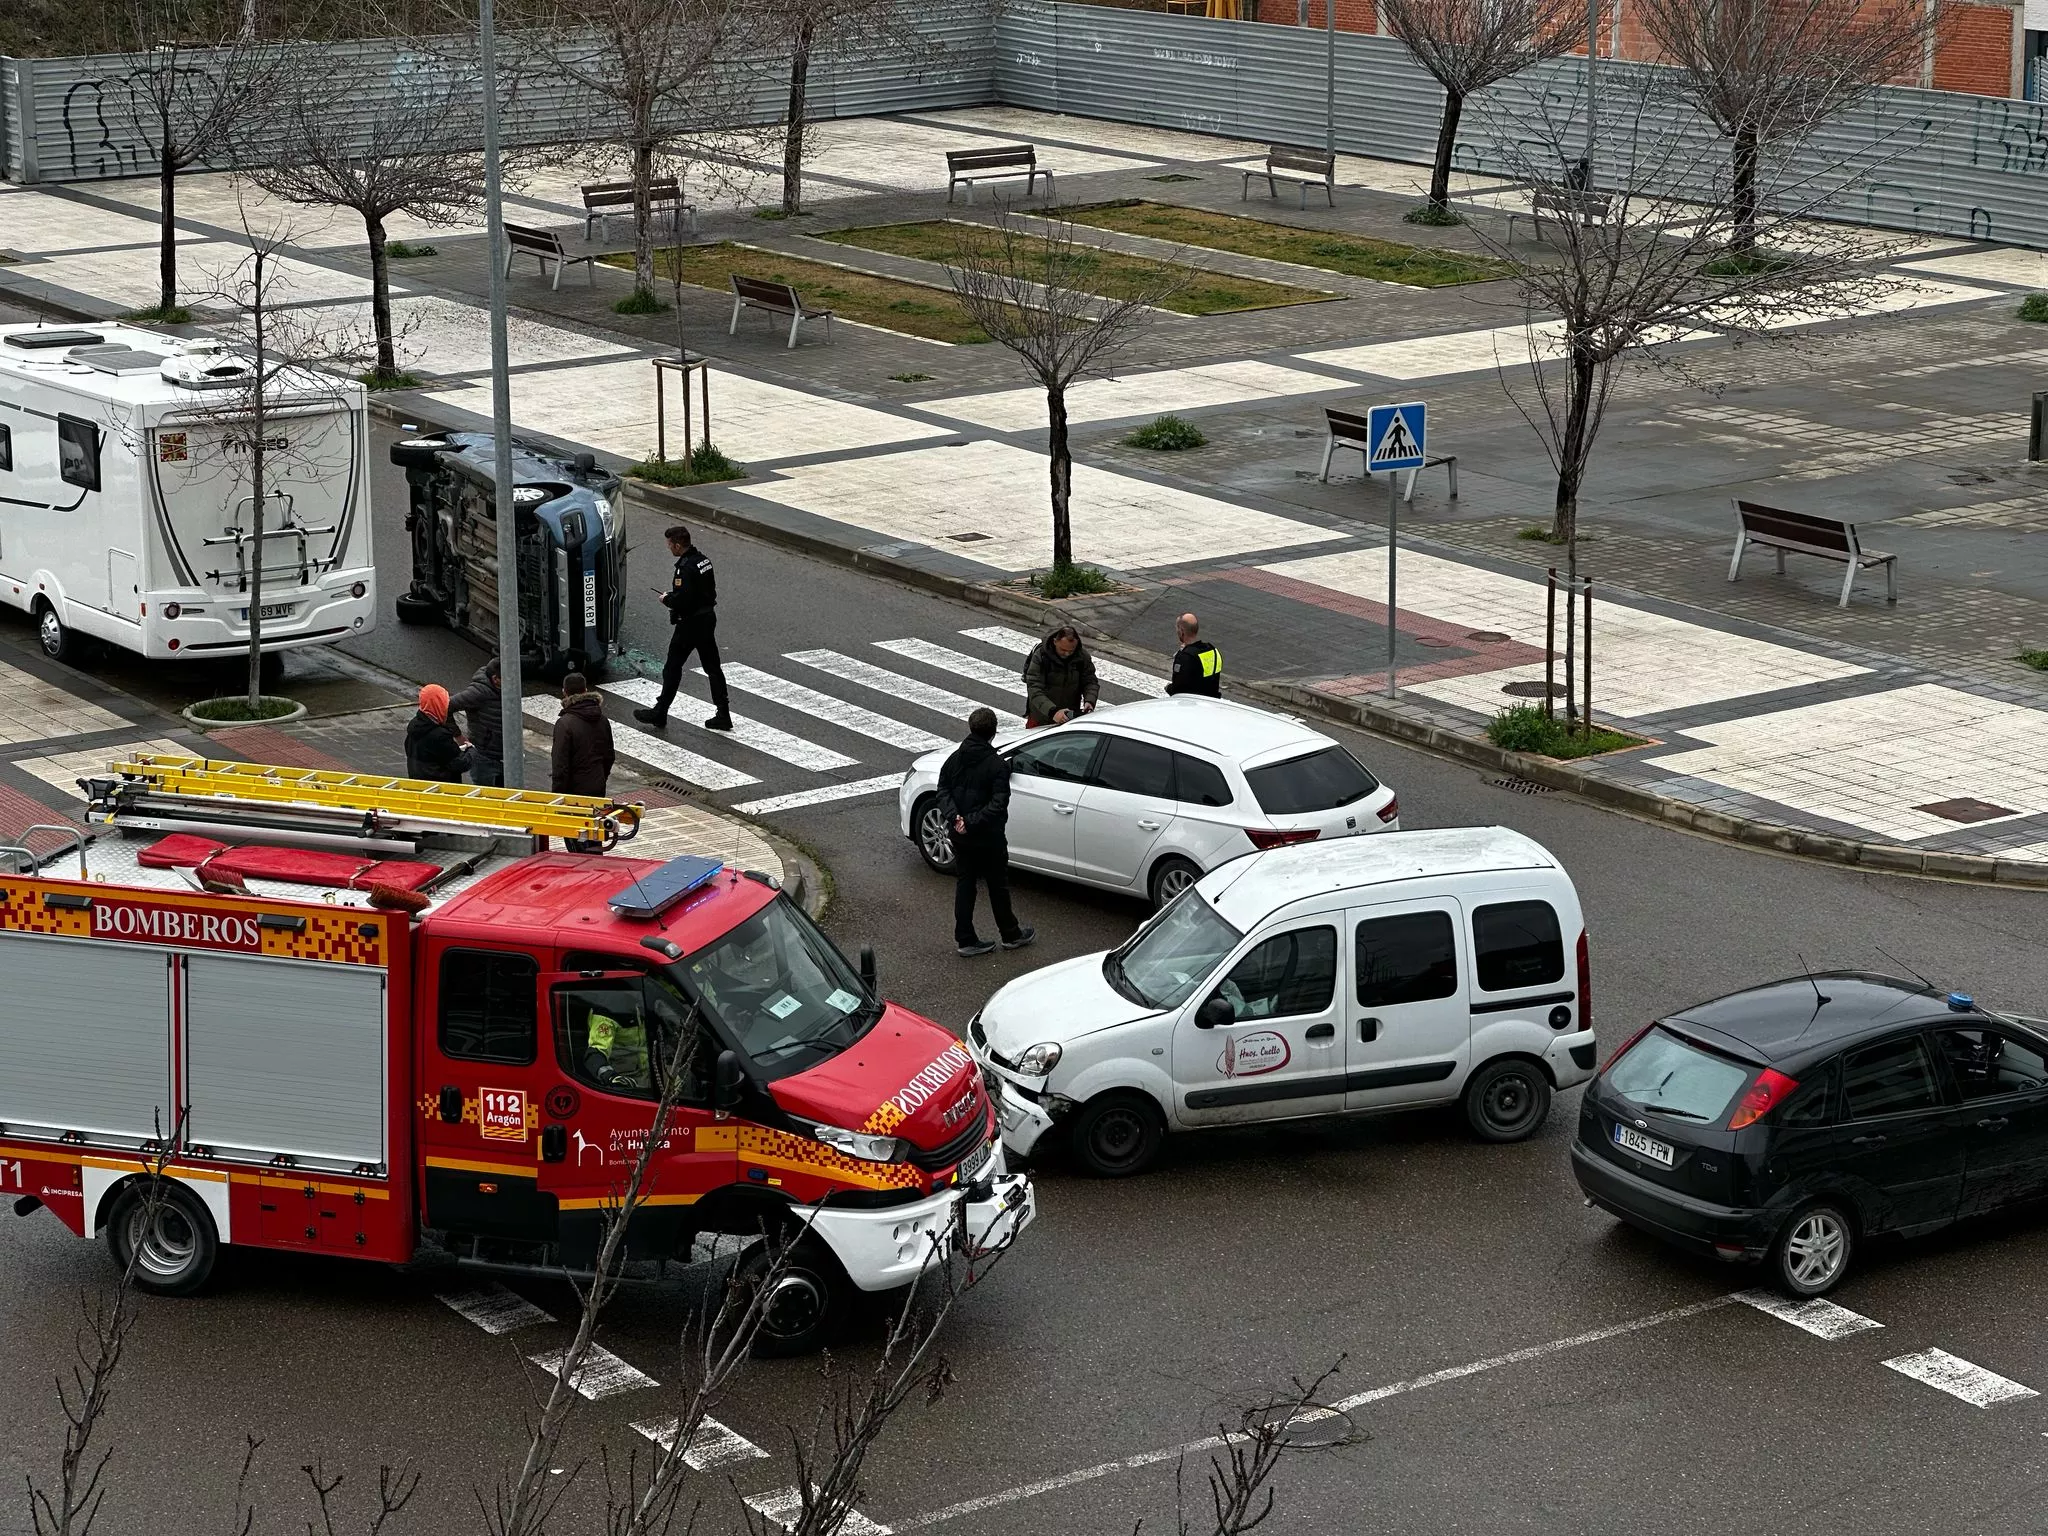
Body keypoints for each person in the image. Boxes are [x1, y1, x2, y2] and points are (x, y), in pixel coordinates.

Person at [936, 707, 1034, 958]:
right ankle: (1010, 934)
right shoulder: (996, 766)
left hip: (960, 835)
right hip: (988, 837)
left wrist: (955, 818)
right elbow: (998, 804)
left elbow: (943, 790)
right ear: (993, 732)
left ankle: (966, 938)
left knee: (965, 884)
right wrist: (971, 821)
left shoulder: (954, 759)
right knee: (997, 886)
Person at [632, 524, 733, 732]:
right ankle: (723, 713)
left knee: (672, 667)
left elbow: (683, 600)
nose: (669, 549)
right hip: (707, 618)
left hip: (690, 624)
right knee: (713, 668)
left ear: (678, 545)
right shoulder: (703, 560)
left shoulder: (684, 568)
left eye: (670, 545)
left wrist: (667, 599)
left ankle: (660, 712)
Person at [551, 672, 615, 798]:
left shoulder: (565, 724)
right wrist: (601, 777)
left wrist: (558, 794)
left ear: (564, 692)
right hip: (597, 785)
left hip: (573, 791)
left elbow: (560, 764)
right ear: (585, 691)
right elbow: (609, 756)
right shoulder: (602, 719)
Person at [1022, 624, 1100, 728]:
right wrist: (1053, 712)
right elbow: (1034, 688)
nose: (1067, 654)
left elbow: (1090, 681)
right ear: (1055, 642)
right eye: (1063, 650)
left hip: (1068, 717)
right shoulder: (1041, 656)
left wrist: (1090, 701)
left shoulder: (1082, 657)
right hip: (1041, 717)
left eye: (1071, 651)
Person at [447, 656, 505, 787]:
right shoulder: (477, 692)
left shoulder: (504, 689)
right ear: (496, 679)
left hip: (504, 755)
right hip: (485, 756)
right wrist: (458, 736)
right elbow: (446, 707)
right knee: (487, 798)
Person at [404, 683, 470, 782]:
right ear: (439, 704)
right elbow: (460, 764)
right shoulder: (439, 735)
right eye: (445, 703)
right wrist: (471, 751)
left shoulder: (415, 726)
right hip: (441, 788)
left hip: (419, 783)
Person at [585, 1003, 648, 1090]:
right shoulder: (606, 1011)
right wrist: (610, 1076)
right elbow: (595, 1053)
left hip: (650, 1077)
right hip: (623, 1083)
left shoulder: (644, 1000)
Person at [1166, 612, 1222, 698]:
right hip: (1212, 700)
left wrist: (1168, 688)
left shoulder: (1185, 657)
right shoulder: (1213, 650)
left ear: (1181, 631)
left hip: (1192, 702)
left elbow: (1177, 688)